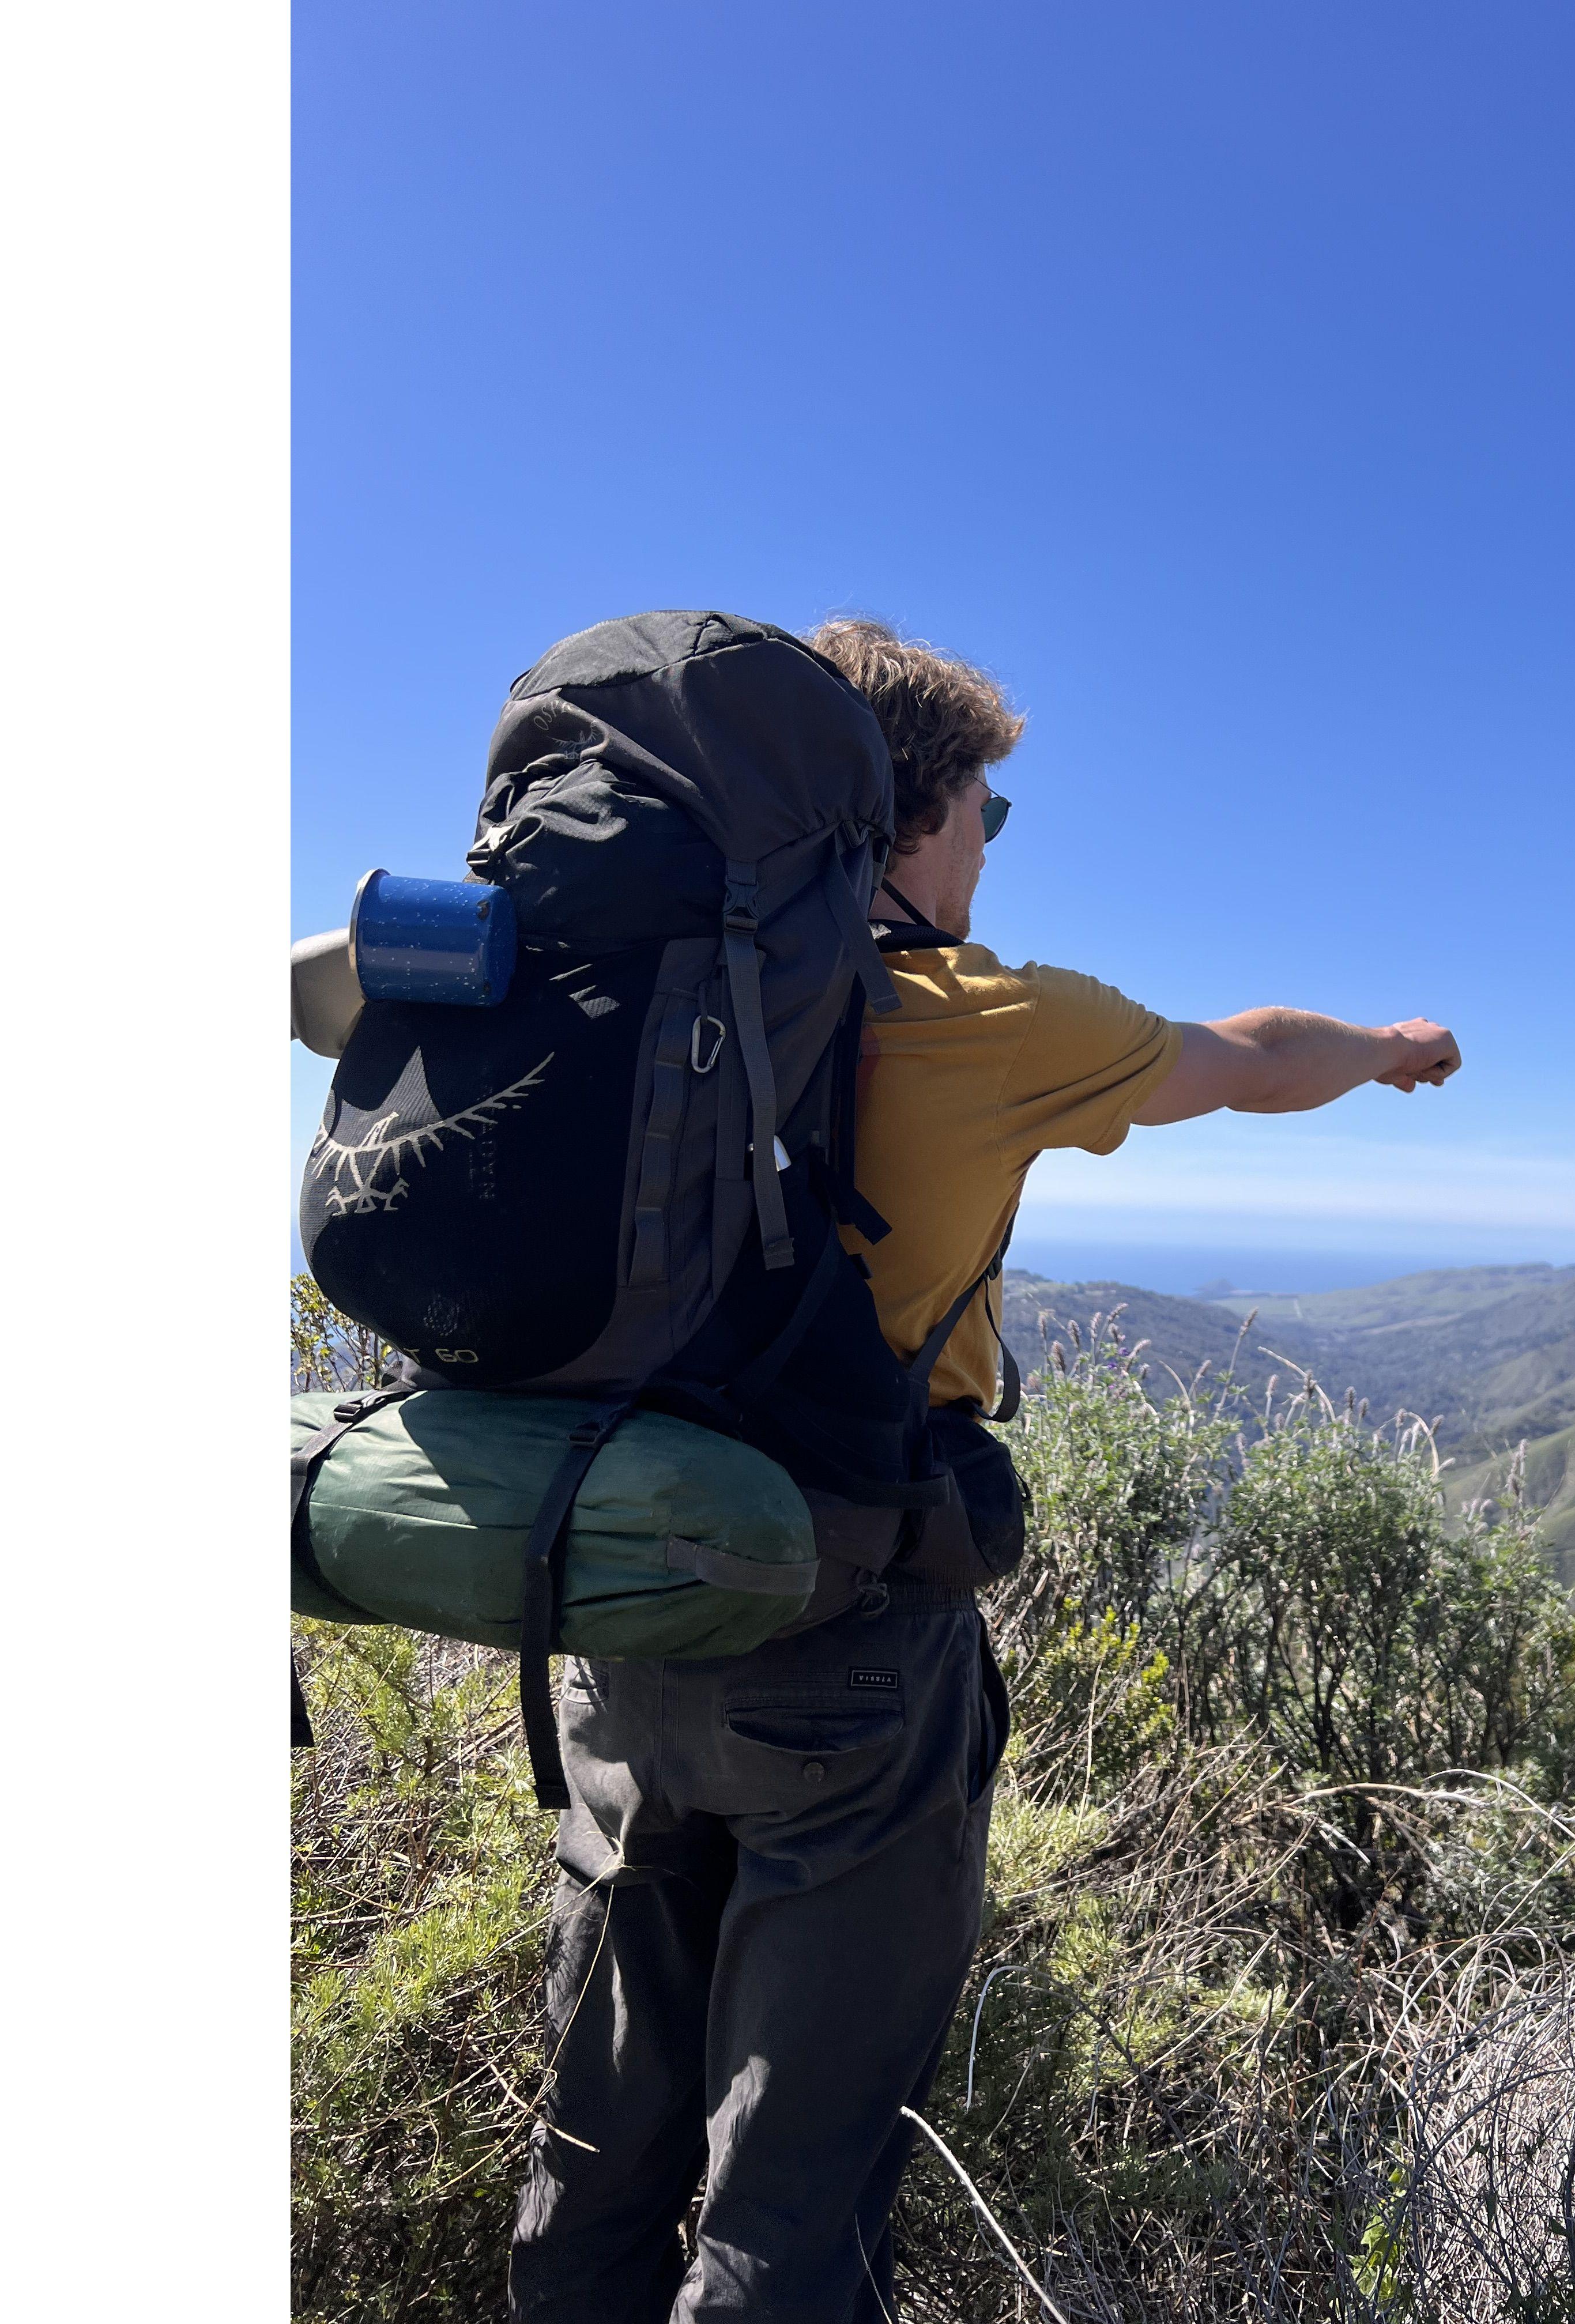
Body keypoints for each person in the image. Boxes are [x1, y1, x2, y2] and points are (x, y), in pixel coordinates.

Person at [507, 618, 1461, 2323]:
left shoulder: (600, 993)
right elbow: (1243, 1060)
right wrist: (1390, 1049)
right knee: (789, 2197)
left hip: (616, 1620)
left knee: (599, 2149)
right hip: (846, 1649)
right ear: (911, 818)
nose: (990, 852)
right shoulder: (985, 1017)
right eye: (989, 819)